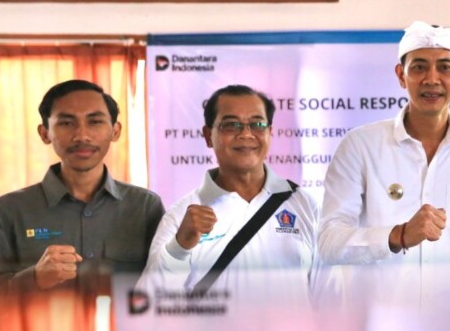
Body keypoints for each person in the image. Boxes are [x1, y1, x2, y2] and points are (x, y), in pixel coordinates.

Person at [318, 21, 450, 310]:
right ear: (401, 75)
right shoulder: (360, 146)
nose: (431, 79)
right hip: (377, 325)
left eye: (445, 67)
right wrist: (398, 235)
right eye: (418, 67)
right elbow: (329, 243)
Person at [0, 80, 165, 294]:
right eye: (66, 123)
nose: (82, 135)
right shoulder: (5, 212)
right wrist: (33, 279)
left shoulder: (145, 207)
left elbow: (167, 283)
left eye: (95, 122)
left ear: (115, 131)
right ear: (44, 133)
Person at [138, 85, 323, 303]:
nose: (246, 134)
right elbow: (149, 301)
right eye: (231, 125)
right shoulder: (181, 215)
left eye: (257, 124)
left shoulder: (305, 206)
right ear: (208, 135)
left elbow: (329, 296)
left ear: (270, 133)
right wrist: (180, 247)